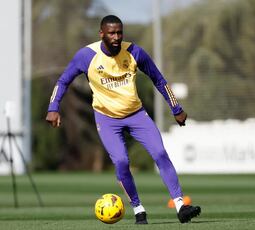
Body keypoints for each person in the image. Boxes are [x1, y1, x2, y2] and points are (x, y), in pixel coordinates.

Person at [46, 15, 201, 224]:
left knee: (160, 153)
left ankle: (181, 205)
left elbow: (159, 79)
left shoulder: (135, 52)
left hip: (137, 114)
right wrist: (53, 107)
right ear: (102, 34)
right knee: (121, 162)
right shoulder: (87, 56)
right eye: (111, 33)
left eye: (119, 32)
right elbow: (63, 81)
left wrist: (176, 108)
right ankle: (138, 208)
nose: (117, 37)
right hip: (107, 119)